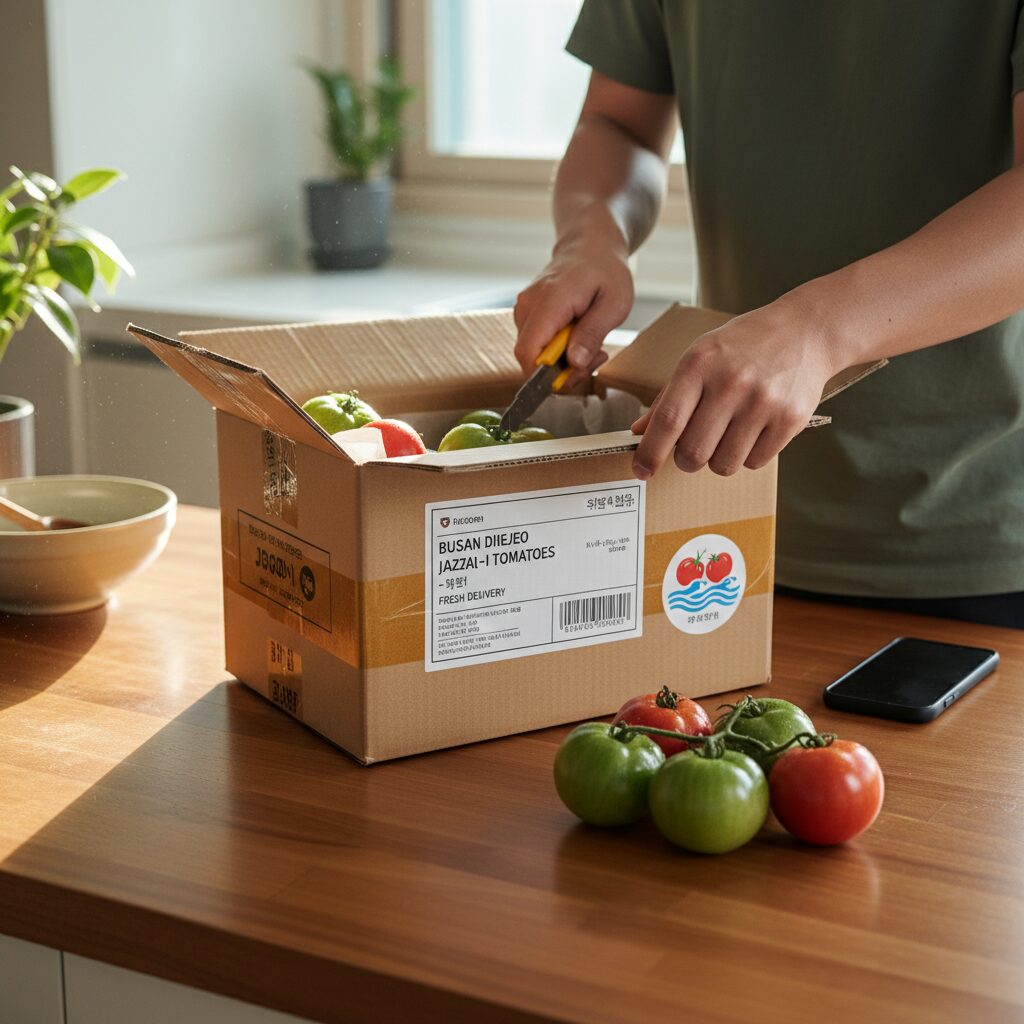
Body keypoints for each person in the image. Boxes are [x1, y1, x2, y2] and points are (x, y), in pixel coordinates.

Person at [513, 1, 1024, 628]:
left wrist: (819, 329)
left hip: (974, 539)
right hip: (710, 515)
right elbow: (619, 122)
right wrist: (591, 238)